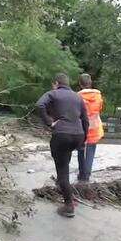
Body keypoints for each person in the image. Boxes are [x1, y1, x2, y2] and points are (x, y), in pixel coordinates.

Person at [36, 73, 89, 218]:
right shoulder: (78, 97)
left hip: (62, 134)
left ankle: (68, 205)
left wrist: (49, 122)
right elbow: (85, 119)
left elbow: (39, 105)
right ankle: (63, 186)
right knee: (64, 158)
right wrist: (83, 139)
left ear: (56, 83)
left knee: (63, 169)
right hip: (77, 136)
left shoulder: (52, 93)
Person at [76, 74, 104, 182]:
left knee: (80, 151)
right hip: (95, 127)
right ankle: (87, 175)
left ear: (80, 83)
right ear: (90, 83)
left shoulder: (77, 97)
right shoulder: (98, 96)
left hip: (81, 127)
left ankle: (81, 174)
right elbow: (100, 108)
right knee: (91, 152)